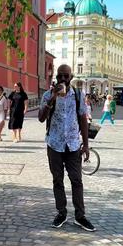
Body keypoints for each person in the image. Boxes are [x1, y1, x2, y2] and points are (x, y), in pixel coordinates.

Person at [38, 64, 95, 232]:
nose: (63, 79)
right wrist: (53, 98)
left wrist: (86, 144)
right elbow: (41, 118)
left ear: (71, 77)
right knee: (58, 180)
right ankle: (61, 213)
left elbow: (83, 119)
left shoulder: (78, 95)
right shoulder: (48, 95)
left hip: (73, 145)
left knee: (77, 180)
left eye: (66, 76)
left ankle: (80, 216)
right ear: (56, 76)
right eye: (60, 76)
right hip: (54, 144)